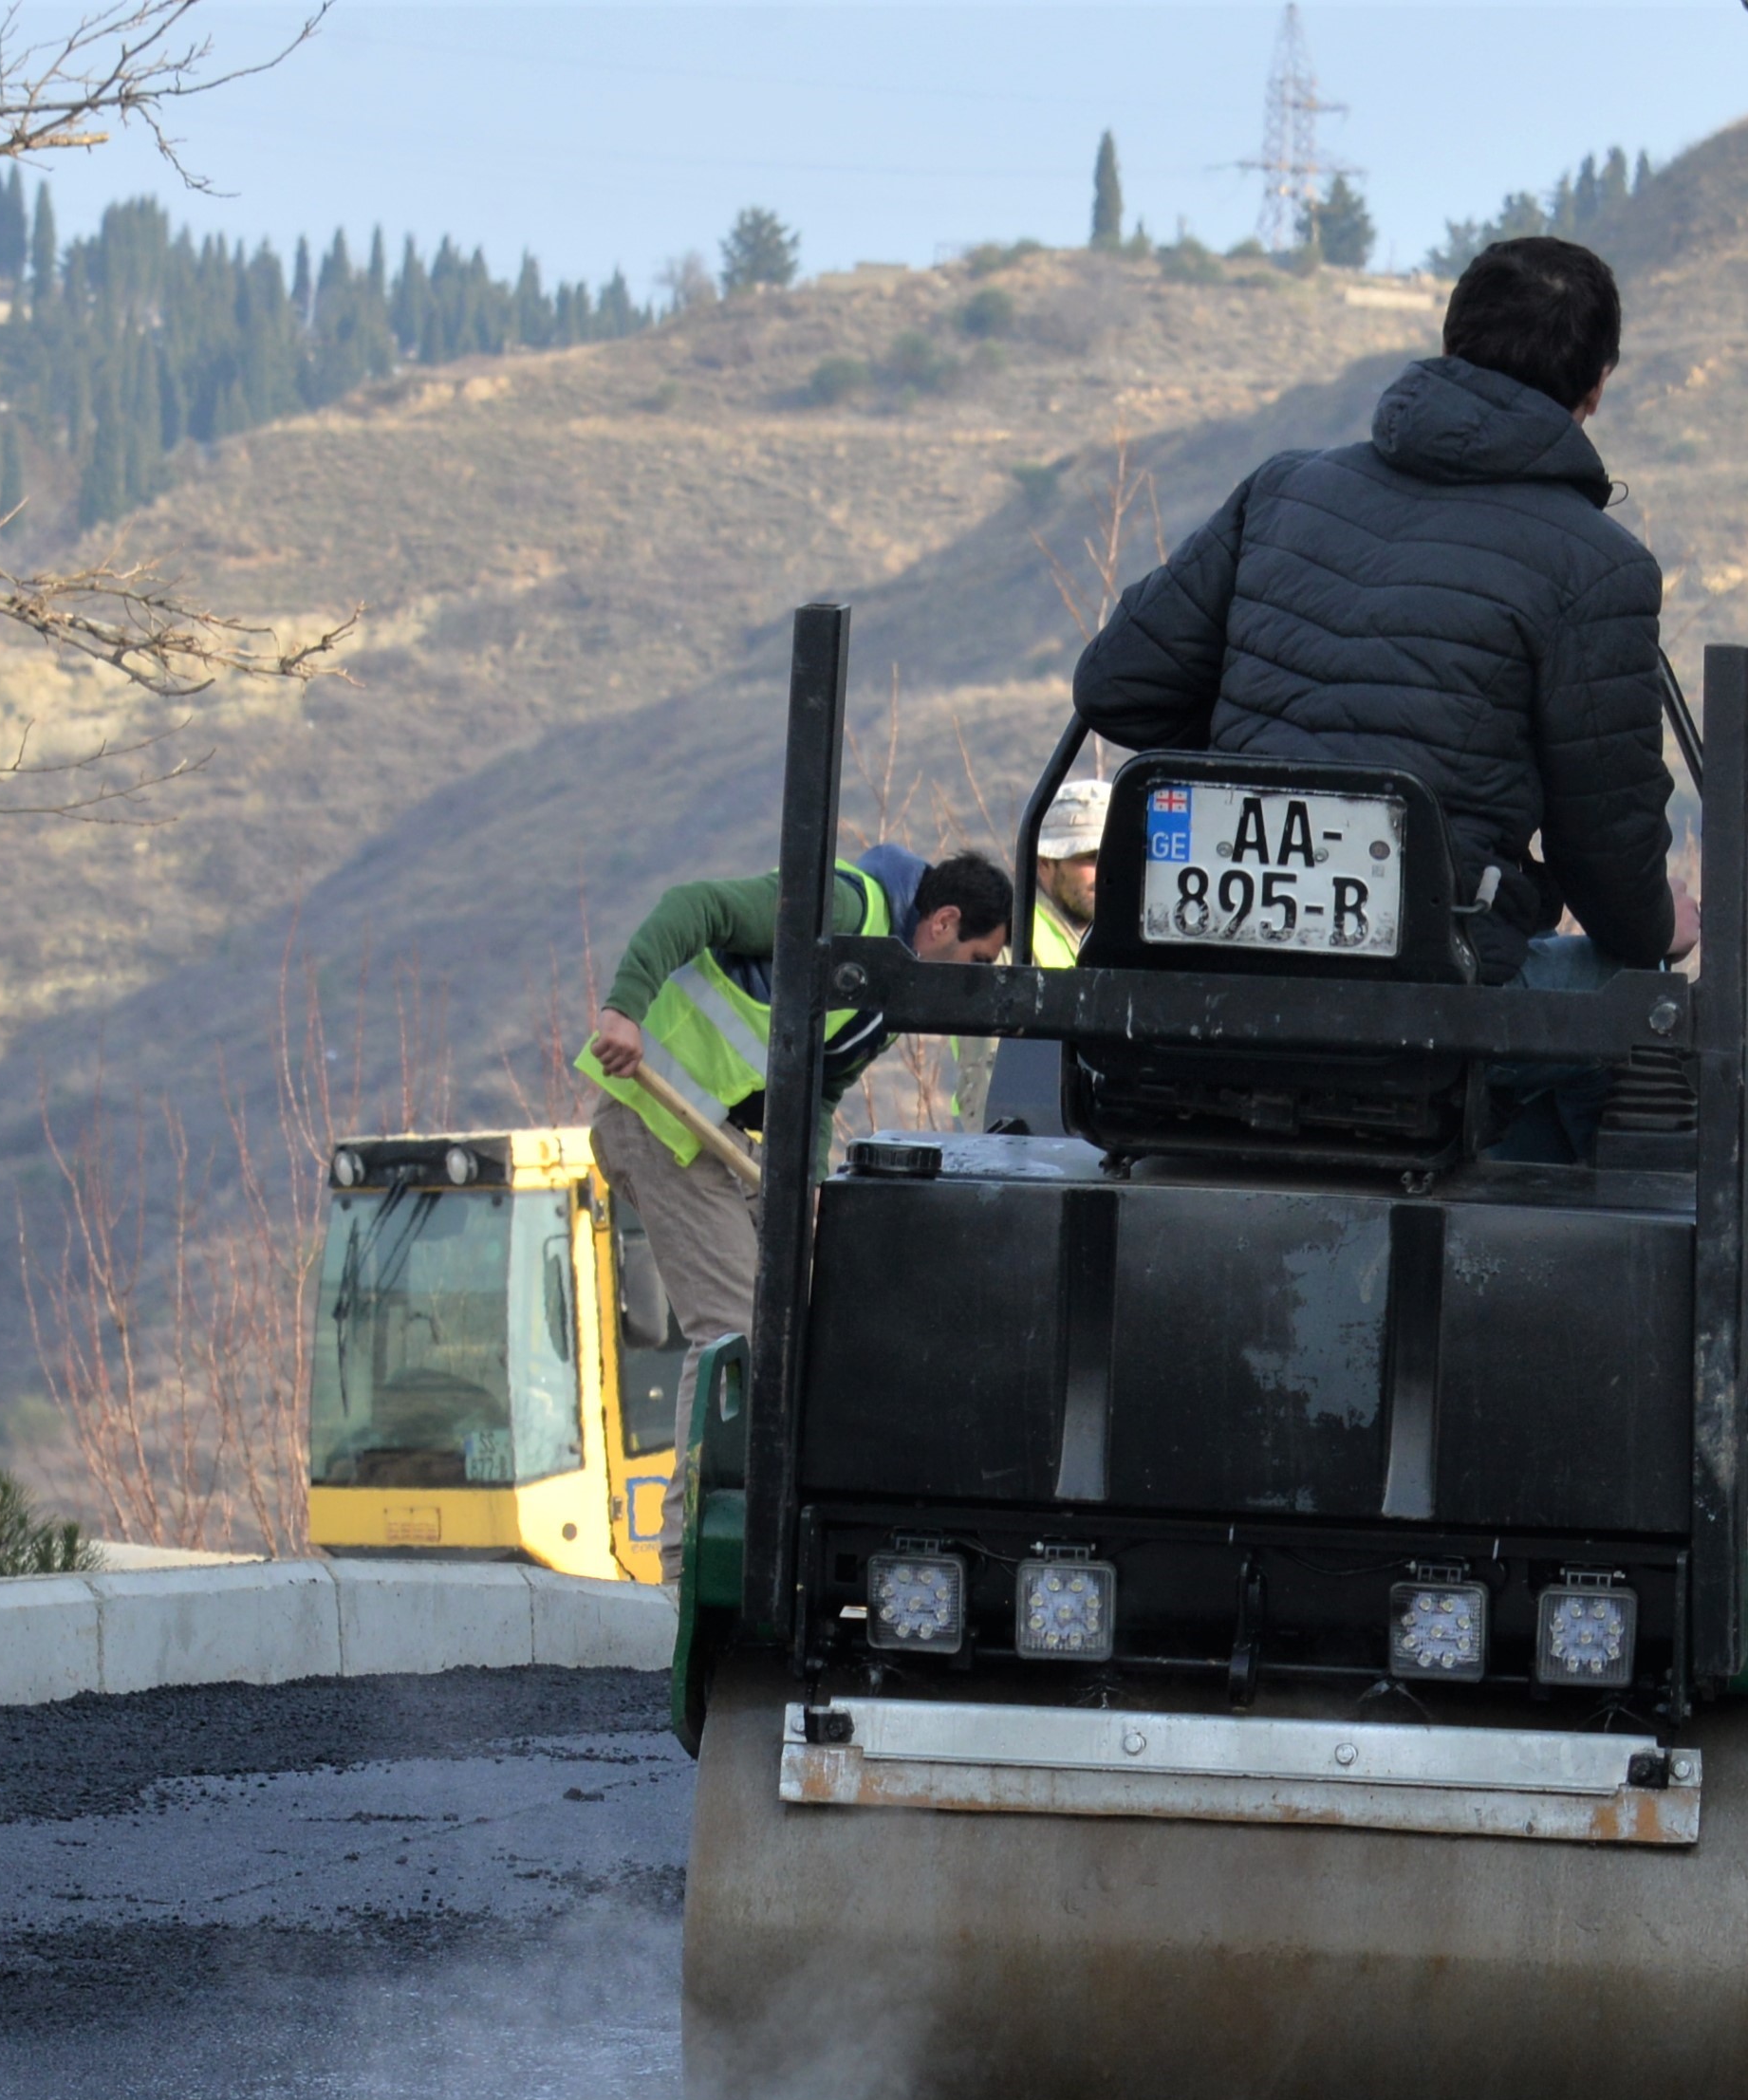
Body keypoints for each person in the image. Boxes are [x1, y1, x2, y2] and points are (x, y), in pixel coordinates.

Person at [1069, 233, 1690, 1143]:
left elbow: (1113, 685)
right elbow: (1607, 852)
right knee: (1647, 1008)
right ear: (1594, 387)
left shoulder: (1282, 489)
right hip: (1432, 1003)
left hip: (1207, 975)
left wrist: (1269, 748)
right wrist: (1660, 926)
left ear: (1449, 342)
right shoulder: (1598, 567)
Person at [578, 843, 1015, 1343]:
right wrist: (623, 1011)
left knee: (796, 1312)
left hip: (711, 1130)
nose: (973, 980)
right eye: (977, 960)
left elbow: (820, 1091)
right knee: (736, 1330)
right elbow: (697, 905)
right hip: (654, 1113)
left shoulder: (891, 994)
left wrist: (809, 1186)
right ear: (944, 922)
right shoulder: (843, 913)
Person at [984, 776, 1106, 1136]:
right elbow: (987, 1072)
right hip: (1021, 1146)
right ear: (1045, 864)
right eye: (1090, 858)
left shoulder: (1102, 941)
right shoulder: (1010, 941)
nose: (1106, 872)